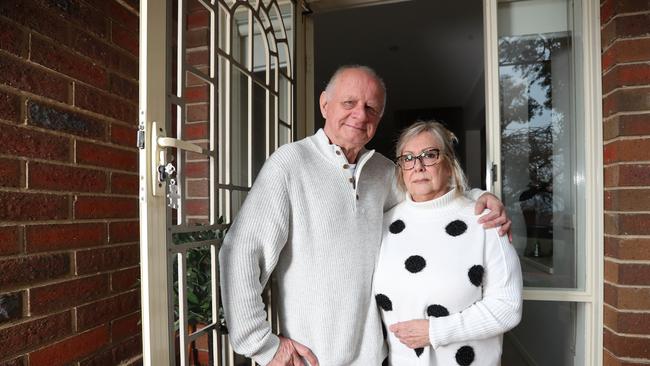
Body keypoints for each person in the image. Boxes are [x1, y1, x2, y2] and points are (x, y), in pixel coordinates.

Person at [219, 65, 512, 366]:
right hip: (312, 360)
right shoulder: (290, 164)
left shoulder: (385, 172)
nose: (360, 115)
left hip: (376, 357)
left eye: (371, 108)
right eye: (349, 103)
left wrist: (479, 198)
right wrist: (261, 343)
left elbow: (430, 195)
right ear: (324, 104)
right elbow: (240, 251)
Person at [373, 121, 522, 365]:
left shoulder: (486, 221)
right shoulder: (382, 226)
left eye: (430, 155)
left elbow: (507, 307)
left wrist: (436, 331)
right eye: (408, 158)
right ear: (401, 169)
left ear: (450, 164)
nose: (418, 166)